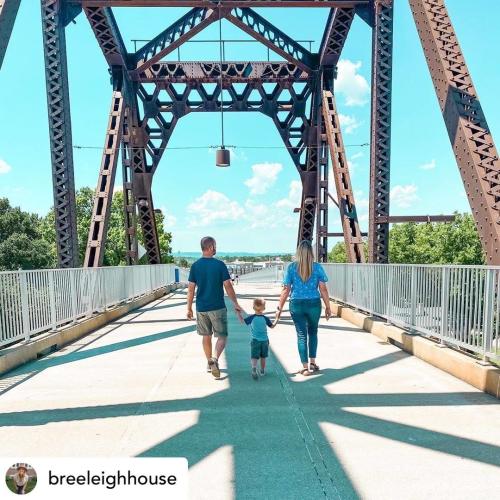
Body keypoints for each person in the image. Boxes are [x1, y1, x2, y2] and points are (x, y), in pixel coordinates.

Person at [187, 236, 243, 378]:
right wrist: (235, 303)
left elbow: (191, 289)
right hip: (217, 307)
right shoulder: (219, 265)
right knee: (222, 336)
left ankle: (209, 363)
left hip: (201, 308)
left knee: (206, 336)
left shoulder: (195, 266)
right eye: (215, 245)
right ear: (211, 247)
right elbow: (228, 286)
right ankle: (215, 359)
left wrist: (189, 308)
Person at [275, 240, 331, 376]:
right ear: (311, 253)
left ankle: (305, 367)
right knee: (313, 332)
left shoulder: (292, 267)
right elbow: (323, 288)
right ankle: (312, 362)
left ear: (298, 253)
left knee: (301, 335)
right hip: (314, 303)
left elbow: (286, 289)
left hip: (297, 304)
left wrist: (279, 307)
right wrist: (328, 306)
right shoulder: (317, 267)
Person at [240, 298, 276, 380]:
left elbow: (242, 321)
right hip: (265, 341)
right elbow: (272, 326)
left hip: (255, 340)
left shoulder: (251, 318)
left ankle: (254, 368)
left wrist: (239, 314)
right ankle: (262, 371)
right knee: (263, 357)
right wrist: (277, 318)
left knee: (254, 356)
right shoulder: (265, 318)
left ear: (253, 308)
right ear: (264, 308)